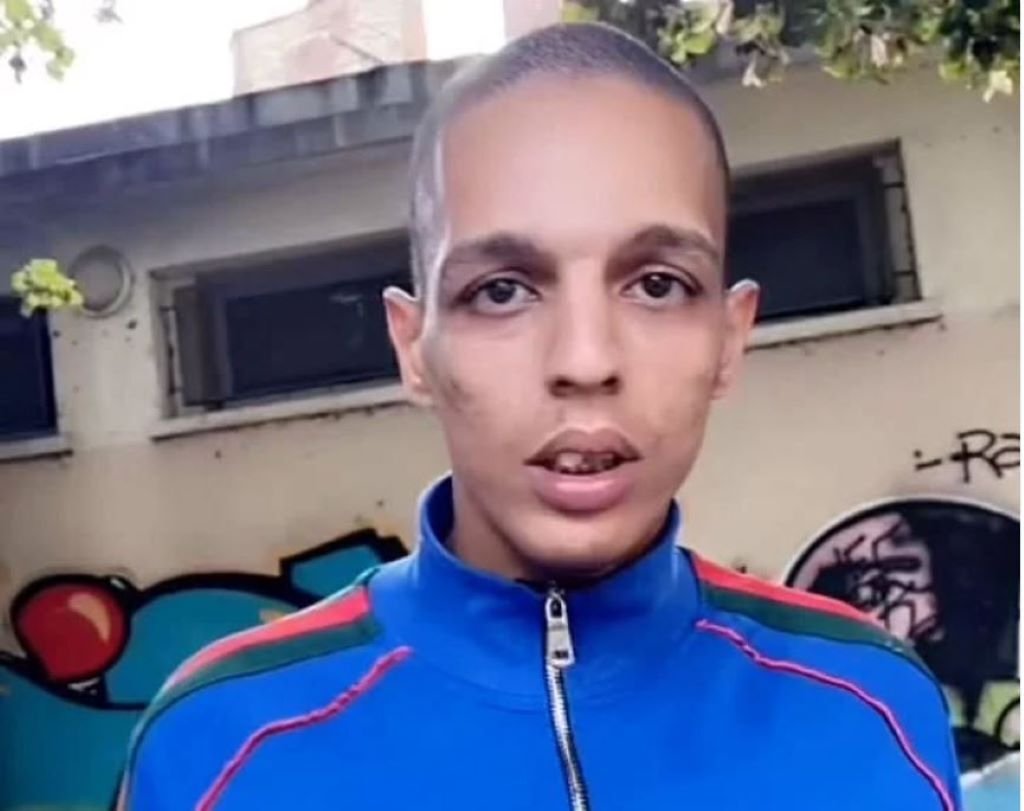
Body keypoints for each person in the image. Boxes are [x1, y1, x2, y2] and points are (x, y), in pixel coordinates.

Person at [120, 22, 962, 811]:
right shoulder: (218, 743)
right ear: (415, 347)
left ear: (728, 339)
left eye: (657, 284)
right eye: (502, 291)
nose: (585, 361)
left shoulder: (872, 708)